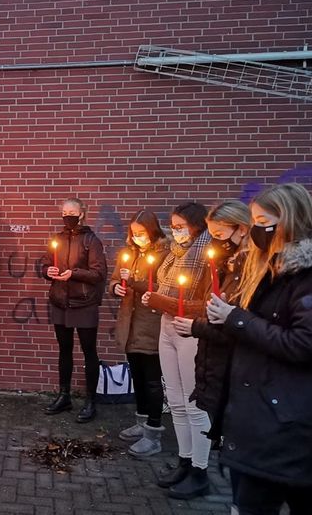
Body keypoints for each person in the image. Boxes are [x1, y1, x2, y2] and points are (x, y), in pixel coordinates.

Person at [206, 183, 312, 515]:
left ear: (285, 221)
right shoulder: (265, 268)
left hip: (284, 423)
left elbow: (306, 343)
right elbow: (254, 330)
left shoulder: (311, 276)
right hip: (256, 420)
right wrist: (226, 317)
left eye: (260, 221)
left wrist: (238, 320)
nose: (254, 229)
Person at [170, 200, 250, 513]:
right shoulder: (221, 261)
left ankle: (200, 470)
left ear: (241, 229)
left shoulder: (246, 268)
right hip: (207, 344)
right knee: (181, 400)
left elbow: (232, 321)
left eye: (220, 233)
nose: (217, 240)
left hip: (226, 357)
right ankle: (187, 462)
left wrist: (198, 324)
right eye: (213, 234)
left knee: (202, 412)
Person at [142, 201, 212, 499]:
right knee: (175, 398)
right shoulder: (174, 253)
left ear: (195, 226)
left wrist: (162, 302)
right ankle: (184, 460)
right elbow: (164, 289)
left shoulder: (209, 257)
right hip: (168, 327)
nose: (175, 231)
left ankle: (200, 470)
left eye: (180, 226)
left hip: (191, 332)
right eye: (172, 225)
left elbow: (209, 306)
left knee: (193, 401)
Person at [110, 210, 169, 458]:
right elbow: (115, 279)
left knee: (152, 381)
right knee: (138, 376)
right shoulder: (130, 253)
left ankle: (153, 432)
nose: (137, 238)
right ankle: (141, 420)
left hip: (151, 326)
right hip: (131, 325)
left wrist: (133, 281)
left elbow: (162, 287)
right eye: (134, 234)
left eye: (141, 233)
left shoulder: (164, 254)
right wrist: (116, 287)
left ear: (152, 231)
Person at [42, 198, 107, 423]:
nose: (67, 215)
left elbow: (98, 273)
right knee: (64, 349)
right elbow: (45, 262)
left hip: (84, 303)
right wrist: (47, 270)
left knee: (89, 352)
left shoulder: (91, 240)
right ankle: (64, 395)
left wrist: (74, 273)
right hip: (61, 301)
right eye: (64, 212)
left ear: (81, 214)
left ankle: (91, 401)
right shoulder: (58, 238)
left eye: (72, 212)